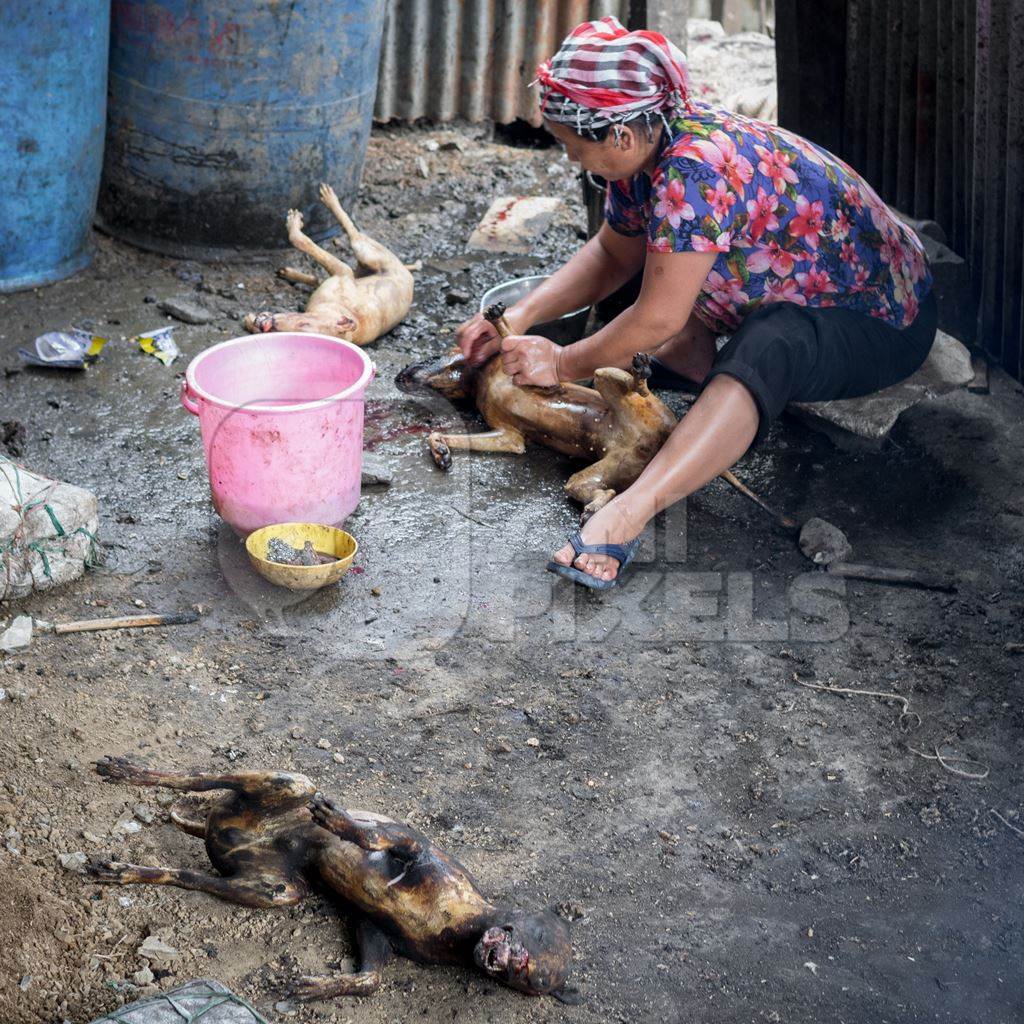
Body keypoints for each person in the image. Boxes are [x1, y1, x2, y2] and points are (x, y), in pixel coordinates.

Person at [455, 17, 935, 590]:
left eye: (571, 146)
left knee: (762, 340)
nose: (570, 159)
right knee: (663, 289)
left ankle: (628, 512)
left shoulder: (692, 170)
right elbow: (613, 255)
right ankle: (709, 391)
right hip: (798, 287)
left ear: (620, 137)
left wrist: (559, 363)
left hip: (885, 321)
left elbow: (659, 315)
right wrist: (510, 318)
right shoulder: (646, 143)